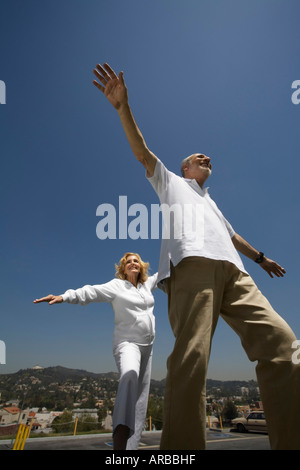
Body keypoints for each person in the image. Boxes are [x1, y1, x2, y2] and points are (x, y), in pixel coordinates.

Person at [92, 63, 300, 451]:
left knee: (284, 346)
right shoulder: (171, 181)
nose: (206, 157)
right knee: (193, 359)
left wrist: (262, 259)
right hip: (191, 269)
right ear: (185, 167)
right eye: (197, 156)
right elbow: (142, 152)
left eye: (208, 157)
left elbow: (232, 236)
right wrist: (123, 108)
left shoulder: (212, 203)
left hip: (236, 275)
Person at [34, 252, 158, 450]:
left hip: (147, 347)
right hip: (127, 344)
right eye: (128, 262)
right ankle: (119, 440)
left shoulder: (147, 285)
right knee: (128, 376)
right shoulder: (116, 286)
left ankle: (131, 449)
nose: (132, 264)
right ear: (123, 268)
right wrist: (63, 296)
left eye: (136, 261)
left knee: (141, 398)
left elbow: (165, 273)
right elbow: (90, 292)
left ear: (141, 266)